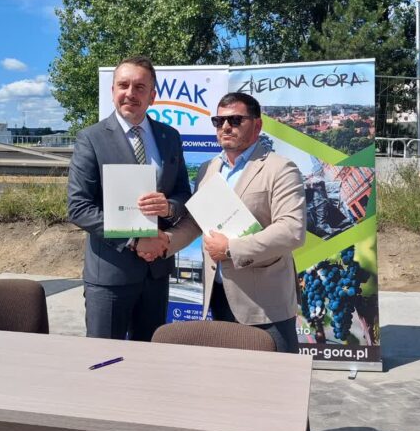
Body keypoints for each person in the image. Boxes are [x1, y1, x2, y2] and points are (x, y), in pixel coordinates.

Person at [140, 92, 306, 353]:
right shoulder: (208, 169)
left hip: (265, 304)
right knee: (229, 374)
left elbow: (291, 230)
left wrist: (230, 249)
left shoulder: (280, 169)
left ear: (257, 125)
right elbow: (197, 222)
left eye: (236, 120)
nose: (226, 127)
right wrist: (166, 242)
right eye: (219, 121)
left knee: (274, 376)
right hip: (219, 296)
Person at [67, 55, 190, 341]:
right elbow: (79, 207)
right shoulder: (91, 139)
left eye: (140, 87)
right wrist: (134, 240)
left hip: (156, 272)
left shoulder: (170, 137)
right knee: (103, 358)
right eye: (123, 85)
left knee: (149, 359)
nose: (130, 93)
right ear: (113, 91)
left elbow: (184, 192)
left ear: (152, 96)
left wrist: (169, 207)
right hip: (110, 275)